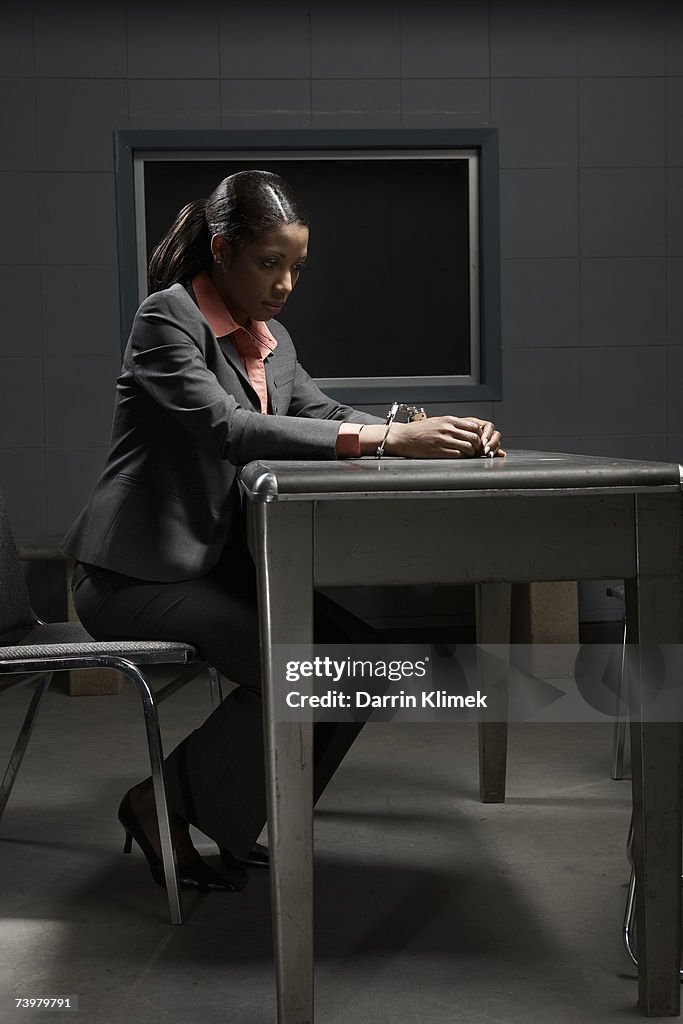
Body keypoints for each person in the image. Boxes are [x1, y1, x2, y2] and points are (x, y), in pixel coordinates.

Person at [63, 169, 504, 893]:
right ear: (221, 251)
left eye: (297, 267)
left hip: (207, 571)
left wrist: (427, 429)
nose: (286, 283)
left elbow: (322, 414)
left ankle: (233, 820)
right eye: (270, 263)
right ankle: (157, 805)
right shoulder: (167, 318)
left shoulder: (270, 338)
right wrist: (389, 443)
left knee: (359, 662)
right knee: (306, 671)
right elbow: (226, 428)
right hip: (134, 578)